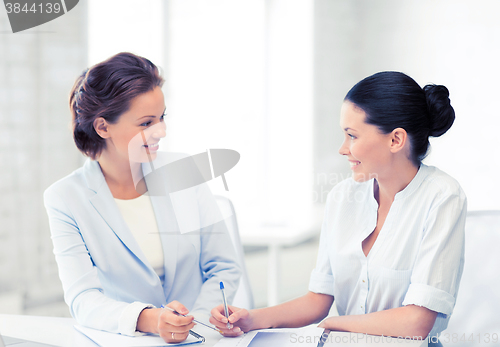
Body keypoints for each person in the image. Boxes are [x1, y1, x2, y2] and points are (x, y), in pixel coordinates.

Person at [210, 71, 466, 345]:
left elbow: (417, 321)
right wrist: (251, 319)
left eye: (352, 136)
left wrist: (335, 325)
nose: (343, 149)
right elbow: (318, 299)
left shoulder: (442, 197)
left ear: (395, 140)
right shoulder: (342, 197)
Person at [44, 52, 241, 344]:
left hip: (199, 338)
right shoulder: (65, 198)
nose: (161, 131)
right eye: (146, 123)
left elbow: (224, 266)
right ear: (102, 127)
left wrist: (192, 324)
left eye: (162, 118)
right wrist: (150, 320)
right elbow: (83, 299)